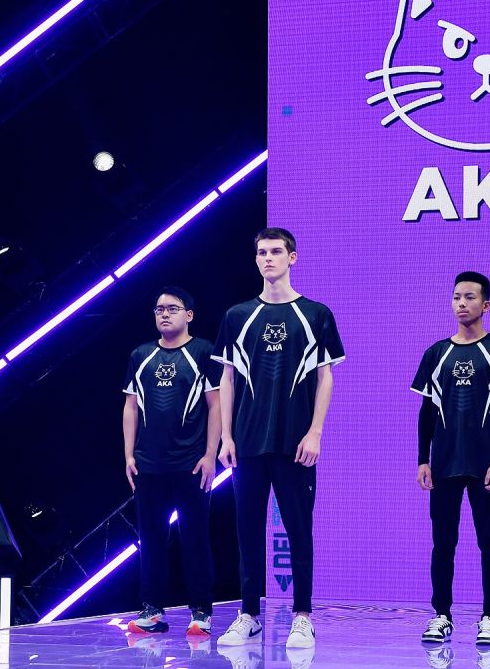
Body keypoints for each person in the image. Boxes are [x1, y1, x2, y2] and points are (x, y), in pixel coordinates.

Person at [212, 227, 345, 650]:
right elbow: (227, 378)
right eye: (261, 252)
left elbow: (325, 378)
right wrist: (226, 436)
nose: (267, 258)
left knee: (299, 531)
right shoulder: (237, 316)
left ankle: (302, 617)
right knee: (247, 531)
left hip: (295, 445)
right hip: (247, 444)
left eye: (275, 251)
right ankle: (248, 615)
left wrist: (315, 432)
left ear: (292, 258)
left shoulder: (316, 314)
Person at [411, 271, 490, 646]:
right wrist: (423, 459)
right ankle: (441, 616)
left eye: (470, 297)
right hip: (444, 466)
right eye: (456, 297)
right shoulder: (436, 354)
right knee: (442, 544)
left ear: (486, 305)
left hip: (485, 467)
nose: (461, 304)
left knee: (489, 542)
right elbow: (427, 411)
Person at [122, 286, 223, 637]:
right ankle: (152, 610)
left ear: (189, 315)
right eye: (159, 309)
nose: (164, 314)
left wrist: (210, 455)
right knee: (150, 539)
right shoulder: (140, 355)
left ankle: (201, 611)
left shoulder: (204, 351)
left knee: (195, 537)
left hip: (191, 464)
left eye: (172, 308)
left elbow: (215, 405)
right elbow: (130, 407)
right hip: (148, 465)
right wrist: (128, 454)